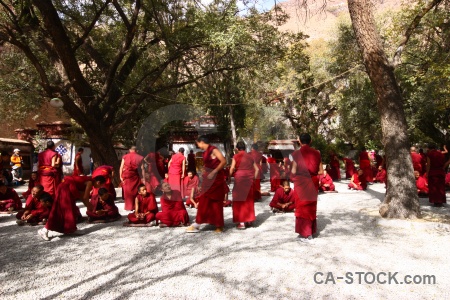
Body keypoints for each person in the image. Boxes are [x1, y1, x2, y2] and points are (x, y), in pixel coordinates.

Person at [186, 136, 226, 233]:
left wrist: (214, 171)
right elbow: (208, 164)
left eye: (198, 143)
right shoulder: (205, 153)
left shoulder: (214, 150)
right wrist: (205, 169)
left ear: (202, 142)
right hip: (207, 180)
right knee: (204, 200)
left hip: (216, 179)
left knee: (216, 202)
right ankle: (199, 222)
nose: (198, 145)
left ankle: (219, 225)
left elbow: (223, 161)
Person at [37, 175, 96, 240]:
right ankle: (44, 230)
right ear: (98, 182)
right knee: (59, 211)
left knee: (71, 210)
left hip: (66, 189)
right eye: (100, 185)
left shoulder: (87, 181)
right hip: (65, 189)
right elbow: (85, 197)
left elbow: (82, 197)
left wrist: (89, 207)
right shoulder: (90, 182)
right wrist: (91, 208)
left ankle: (71, 229)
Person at [290, 133, 323, 243]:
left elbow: (293, 171)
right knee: (310, 206)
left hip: (301, 182)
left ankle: (304, 233)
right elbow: (321, 171)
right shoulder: (317, 153)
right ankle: (310, 233)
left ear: (299, 141)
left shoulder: (296, 153)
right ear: (311, 141)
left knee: (301, 207)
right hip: (312, 181)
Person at [229, 141, 258, 229]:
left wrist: (229, 177)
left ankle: (241, 222)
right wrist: (254, 179)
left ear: (237, 149)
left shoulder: (236, 156)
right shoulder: (250, 156)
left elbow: (232, 168)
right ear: (245, 148)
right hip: (249, 179)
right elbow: (256, 169)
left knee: (239, 200)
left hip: (239, 180)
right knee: (248, 200)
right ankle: (249, 220)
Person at [119, 146, 144, 210]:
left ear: (130, 150)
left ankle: (128, 207)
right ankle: (135, 205)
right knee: (135, 191)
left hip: (127, 176)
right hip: (135, 176)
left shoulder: (125, 156)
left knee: (127, 192)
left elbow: (121, 167)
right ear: (137, 151)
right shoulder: (140, 157)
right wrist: (143, 178)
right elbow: (142, 169)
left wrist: (120, 176)